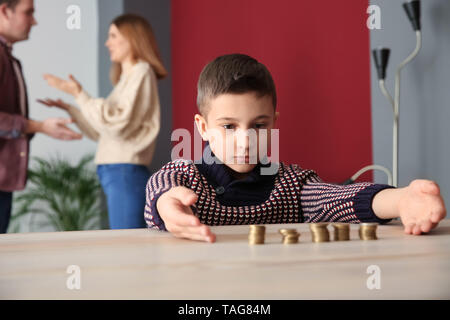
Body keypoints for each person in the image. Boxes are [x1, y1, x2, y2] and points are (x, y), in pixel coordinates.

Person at [144, 53, 447, 243]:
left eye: (258, 125)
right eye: (228, 126)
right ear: (202, 128)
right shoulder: (187, 176)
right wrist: (166, 204)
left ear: (273, 123)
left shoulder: (290, 183)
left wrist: (400, 199)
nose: (244, 139)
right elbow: (162, 185)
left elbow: (336, 199)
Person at [39, 14, 167, 229]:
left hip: (124, 171)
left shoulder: (141, 72)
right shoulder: (127, 78)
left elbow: (117, 126)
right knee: (124, 243)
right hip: (117, 171)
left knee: (125, 245)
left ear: (132, 38)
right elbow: (103, 132)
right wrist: (72, 107)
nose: (107, 43)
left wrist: (79, 93)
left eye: (113, 35)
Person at [0, 0, 82, 233]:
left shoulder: (8, 56)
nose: (34, 21)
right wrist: (39, 126)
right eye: (29, 13)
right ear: (5, 11)